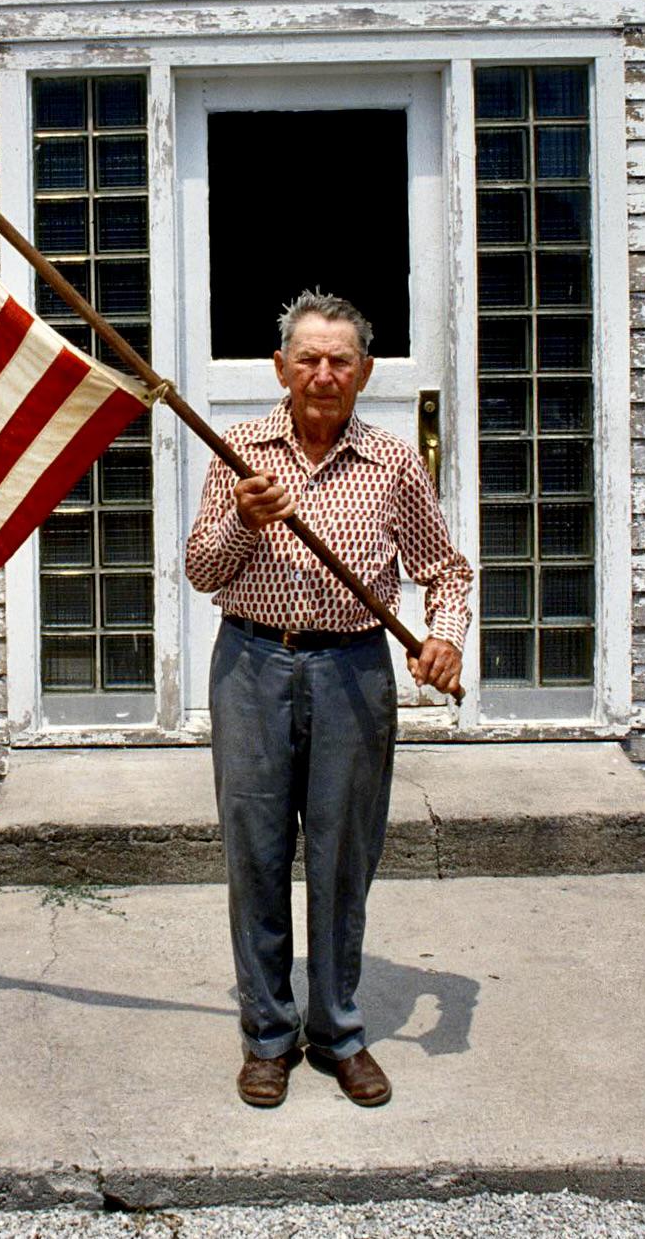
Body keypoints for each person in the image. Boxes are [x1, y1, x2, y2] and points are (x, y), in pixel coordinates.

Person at [185, 289, 472, 1109]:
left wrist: (444, 634)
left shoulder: (390, 461)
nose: (321, 374)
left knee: (345, 859)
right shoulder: (239, 448)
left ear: (364, 372)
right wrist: (244, 519)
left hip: (354, 671)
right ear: (280, 367)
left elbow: (444, 568)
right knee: (258, 856)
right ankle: (268, 1037)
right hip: (251, 666)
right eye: (307, 358)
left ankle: (338, 1033)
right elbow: (203, 570)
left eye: (339, 360)